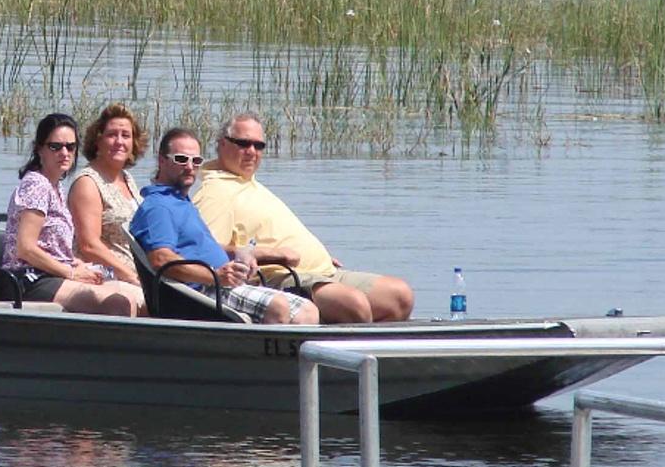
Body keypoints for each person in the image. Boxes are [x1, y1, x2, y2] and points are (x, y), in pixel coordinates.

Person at [190, 113, 415, 323]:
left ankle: (364, 353)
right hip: (282, 278)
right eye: (243, 143)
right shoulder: (215, 191)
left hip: (323, 270)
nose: (252, 151)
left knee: (399, 297)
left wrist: (317, 254)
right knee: (355, 306)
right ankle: (332, 355)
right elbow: (205, 251)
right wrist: (272, 255)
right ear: (222, 144)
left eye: (259, 145)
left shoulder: (247, 182)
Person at [128, 128, 319, 325]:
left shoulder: (181, 201)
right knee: (278, 306)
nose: (189, 166)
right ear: (162, 160)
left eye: (196, 161)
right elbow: (161, 259)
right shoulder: (158, 206)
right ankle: (261, 355)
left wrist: (238, 253)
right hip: (201, 291)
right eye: (181, 159)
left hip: (221, 284)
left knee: (307, 310)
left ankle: (291, 355)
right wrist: (217, 276)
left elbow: (196, 246)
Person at [1, 114, 145, 316]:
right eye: (55, 146)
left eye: (70, 147)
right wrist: (70, 272)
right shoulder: (36, 185)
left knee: (138, 297)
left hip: (54, 274)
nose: (64, 153)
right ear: (39, 148)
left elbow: (52, 248)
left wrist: (78, 266)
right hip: (28, 279)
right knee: (118, 303)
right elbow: (26, 249)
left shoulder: (57, 187)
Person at [66, 102, 145, 287]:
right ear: (98, 141)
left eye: (125, 135)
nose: (119, 141)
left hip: (137, 273)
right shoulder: (88, 183)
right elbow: (89, 246)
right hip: (104, 276)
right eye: (111, 135)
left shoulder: (127, 179)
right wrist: (132, 277)